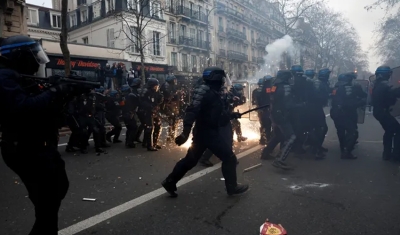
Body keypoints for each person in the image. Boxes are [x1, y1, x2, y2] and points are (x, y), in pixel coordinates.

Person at [0, 35, 74, 235]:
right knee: (47, 200)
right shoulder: (4, 77)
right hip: (26, 148)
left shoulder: (19, 77)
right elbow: (23, 108)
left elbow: (48, 110)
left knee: (56, 189)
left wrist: (61, 92)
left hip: (39, 145)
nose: (37, 61)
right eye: (33, 56)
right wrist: (55, 91)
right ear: (20, 56)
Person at [162, 67, 249, 197]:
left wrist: (232, 115)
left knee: (190, 160)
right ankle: (232, 187)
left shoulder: (213, 92)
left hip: (203, 133)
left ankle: (170, 181)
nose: (223, 81)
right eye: (222, 79)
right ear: (217, 79)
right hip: (209, 133)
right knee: (229, 158)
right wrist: (185, 132)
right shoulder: (206, 93)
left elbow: (216, 114)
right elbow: (192, 111)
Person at [261, 70, 295, 170]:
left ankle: (265, 153)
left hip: (274, 114)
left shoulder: (274, 86)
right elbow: (288, 104)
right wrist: (300, 106)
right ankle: (279, 159)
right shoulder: (285, 87)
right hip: (281, 115)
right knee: (291, 137)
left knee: (278, 135)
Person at [330, 72, 367, 159]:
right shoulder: (353, 87)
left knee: (341, 132)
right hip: (347, 113)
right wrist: (361, 102)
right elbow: (353, 102)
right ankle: (346, 152)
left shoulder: (335, 87)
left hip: (335, 113)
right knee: (353, 133)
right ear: (350, 79)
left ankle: (343, 149)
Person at [371, 66, 400, 161]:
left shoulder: (378, 84)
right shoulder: (383, 84)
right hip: (382, 112)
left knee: (390, 131)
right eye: (388, 73)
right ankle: (396, 155)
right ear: (383, 74)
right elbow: (393, 93)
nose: (389, 75)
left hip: (380, 111)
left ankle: (387, 154)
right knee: (397, 130)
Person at [309, 68, 331, 159]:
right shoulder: (318, 83)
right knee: (321, 128)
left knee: (321, 128)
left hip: (317, 108)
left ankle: (317, 147)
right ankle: (315, 150)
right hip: (314, 108)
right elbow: (316, 96)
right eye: (327, 75)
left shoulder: (323, 83)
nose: (328, 76)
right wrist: (326, 96)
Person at [140, 78, 164, 151]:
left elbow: (158, 100)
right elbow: (142, 102)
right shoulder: (145, 92)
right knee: (149, 128)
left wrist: (160, 98)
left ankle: (154, 143)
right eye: (155, 86)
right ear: (152, 86)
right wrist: (150, 107)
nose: (157, 87)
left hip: (154, 111)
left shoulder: (156, 92)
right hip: (146, 112)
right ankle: (149, 145)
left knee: (158, 125)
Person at [161, 75, 181, 143]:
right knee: (172, 120)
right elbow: (168, 95)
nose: (175, 81)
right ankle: (170, 135)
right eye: (174, 80)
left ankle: (171, 135)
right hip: (169, 106)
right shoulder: (166, 86)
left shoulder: (170, 86)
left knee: (174, 120)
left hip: (172, 105)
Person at [123, 78, 141, 148]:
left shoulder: (130, 93)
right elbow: (138, 103)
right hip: (129, 113)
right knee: (133, 127)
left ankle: (128, 141)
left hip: (127, 113)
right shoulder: (133, 94)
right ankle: (130, 142)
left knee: (130, 128)